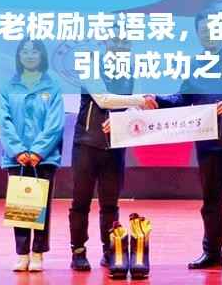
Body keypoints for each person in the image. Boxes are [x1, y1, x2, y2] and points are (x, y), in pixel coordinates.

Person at [154, 8, 222, 271]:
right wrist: (158, 100)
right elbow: (183, 98)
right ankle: (211, 252)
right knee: (210, 201)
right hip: (206, 143)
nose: (208, 35)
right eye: (203, 31)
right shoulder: (195, 64)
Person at [69, 35, 158, 271]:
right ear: (105, 42)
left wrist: (125, 117)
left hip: (116, 146)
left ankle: (110, 251)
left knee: (110, 204)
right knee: (80, 202)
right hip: (86, 144)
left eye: (125, 42)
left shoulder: (132, 70)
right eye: (115, 41)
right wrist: (140, 100)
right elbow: (103, 99)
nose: (120, 46)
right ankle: (78, 251)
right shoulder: (89, 64)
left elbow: (135, 109)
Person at [0, 39, 64, 272]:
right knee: (21, 206)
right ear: (18, 56)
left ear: (42, 56)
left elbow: (55, 123)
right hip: (15, 157)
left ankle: (38, 253)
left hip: (44, 157)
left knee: (41, 207)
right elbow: (4, 122)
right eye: (24, 51)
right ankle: (22, 254)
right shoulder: (8, 86)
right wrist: (17, 150)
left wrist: (38, 150)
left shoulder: (53, 86)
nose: (29, 55)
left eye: (34, 51)